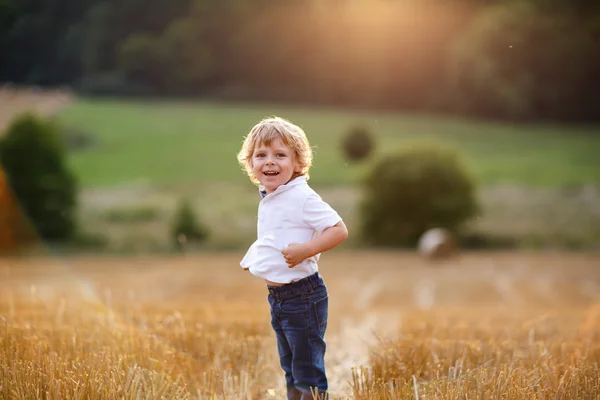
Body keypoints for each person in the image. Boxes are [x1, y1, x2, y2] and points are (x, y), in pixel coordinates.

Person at [237, 116, 348, 399]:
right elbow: (276, 236)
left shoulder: (302, 196)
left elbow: (339, 230)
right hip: (279, 299)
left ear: (298, 163)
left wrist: (307, 250)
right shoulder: (272, 195)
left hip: (303, 297)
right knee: (290, 368)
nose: (269, 162)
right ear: (251, 163)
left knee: (307, 371)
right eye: (261, 155)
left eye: (280, 155)